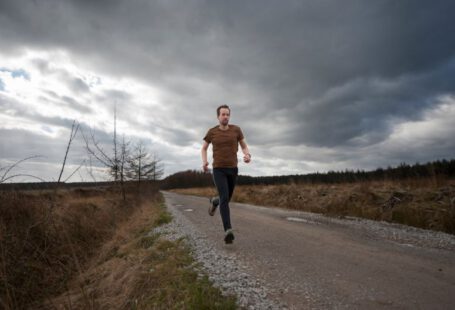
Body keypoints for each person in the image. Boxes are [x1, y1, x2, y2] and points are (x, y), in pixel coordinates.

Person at [201, 104, 251, 244]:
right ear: (218, 116)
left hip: (232, 169)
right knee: (224, 197)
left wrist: (247, 155)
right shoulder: (212, 132)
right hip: (218, 169)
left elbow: (244, 145)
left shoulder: (236, 130)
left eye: (227, 114)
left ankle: (214, 201)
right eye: (223, 114)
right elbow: (204, 148)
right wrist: (205, 162)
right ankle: (228, 230)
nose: (225, 117)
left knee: (226, 199)